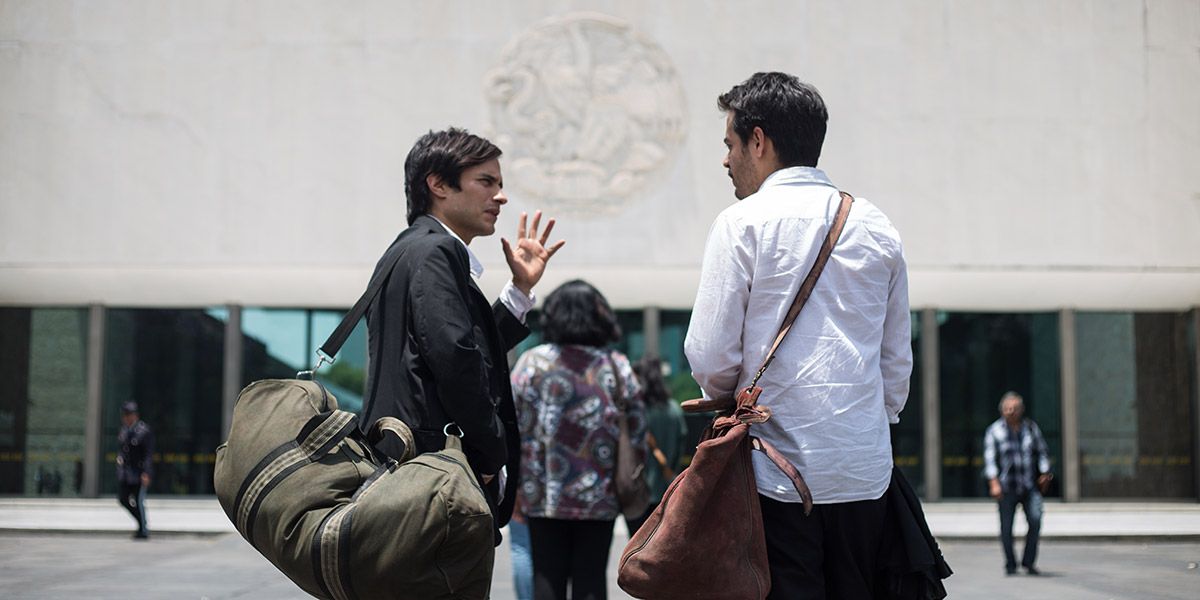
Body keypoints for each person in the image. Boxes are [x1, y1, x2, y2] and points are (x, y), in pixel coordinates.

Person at [684, 72, 913, 599]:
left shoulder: (742, 223)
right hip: (864, 472)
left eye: (729, 144)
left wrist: (728, 397)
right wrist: (868, 423)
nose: (726, 160)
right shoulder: (876, 225)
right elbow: (896, 360)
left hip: (773, 474)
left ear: (758, 141)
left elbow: (710, 355)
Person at [360, 127, 565, 546]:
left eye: (500, 184)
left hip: (407, 478)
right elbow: (455, 358)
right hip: (431, 483)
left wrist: (519, 290)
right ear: (438, 184)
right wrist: (489, 454)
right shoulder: (438, 251)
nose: (501, 197)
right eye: (486, 182)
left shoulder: (409, 250)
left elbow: (463, 349)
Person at [511, 280, 646, 600]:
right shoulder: (616, 366)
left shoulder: (532, 363)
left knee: (546, 577)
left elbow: (511, 427)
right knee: (591, 580)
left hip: (542, 495)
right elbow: (637, 432)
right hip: (600, 498)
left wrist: (513, 486)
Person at [983, 391, 1052, 576]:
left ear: (1021, 410)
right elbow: (990, 459)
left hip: (1029, 485)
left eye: (1014, 408)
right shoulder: (994, 431)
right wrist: (994, 482)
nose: (1010, 411)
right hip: (1006, 487)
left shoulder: (1031, 428)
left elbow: (1042, 452)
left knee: (1035, 520)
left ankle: (1028, 562)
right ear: (1002, 410)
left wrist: (1045, 472)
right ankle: (1010, 563)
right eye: (1007, 408)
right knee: (1006, 528)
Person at [624, 355, 687, 535]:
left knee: (637, 545)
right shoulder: (674, 410)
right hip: (667, 491)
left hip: (637, 493)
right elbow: (681, 447)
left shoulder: (635, 411)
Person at [116, 401, 153, 540]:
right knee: (123, 499)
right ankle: (141, 523)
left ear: (135, 415)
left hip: (139, 473)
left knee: (138, 500)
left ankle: (143, 530)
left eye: (129, 415)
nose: (126, 418)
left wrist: (146, 473)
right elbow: (122, 450)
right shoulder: (124, 430)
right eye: (124, 415)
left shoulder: (143, 431)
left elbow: (148, 455)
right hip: (126, 473)